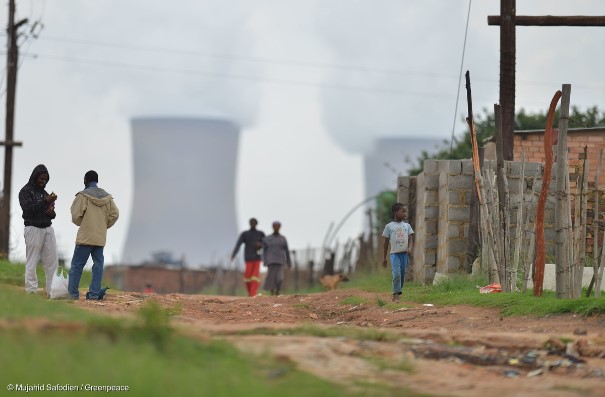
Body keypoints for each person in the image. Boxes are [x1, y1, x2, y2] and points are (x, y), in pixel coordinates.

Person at [68, 170, 119, 300]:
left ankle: (73, 294)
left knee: (77, 266)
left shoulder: (83, 196)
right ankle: (94, 294)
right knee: (98, 266)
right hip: (99, 238)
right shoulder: (108, 198)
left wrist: (84, 223)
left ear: (85, 180)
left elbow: (75, 216)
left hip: (85, 237)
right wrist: (103, 225)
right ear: (97, 181)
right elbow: (115, 214)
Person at [18, 164, 59, 296]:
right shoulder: (25, 191)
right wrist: (46, 201)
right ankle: (31, 291)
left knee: (52, 262)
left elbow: (52, 215)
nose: (44, 181)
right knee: (32, 261)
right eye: (41, 178)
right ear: (35, 177)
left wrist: (51, 212)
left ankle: (52, 291)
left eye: (46, 179)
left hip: (48, 229)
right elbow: (28, 209)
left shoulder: (45, 194)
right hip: (33, 228)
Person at [382, 202, 414, 302]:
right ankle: (396, 295)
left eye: (406, 212)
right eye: (402, 211)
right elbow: (386, 243)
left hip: (404, 254)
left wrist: (410, 248)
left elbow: (410, 238)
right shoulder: (389, 226)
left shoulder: (407, 226)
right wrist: (384, 258)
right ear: (395, 212)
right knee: (396, 273)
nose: (405, 214)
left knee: (402, 274)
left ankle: (398, 291)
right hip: (394, 254)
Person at [231, 218, 265, 297]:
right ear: (249, 223)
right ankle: (250, 293)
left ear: (256, 224)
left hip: (257, 258)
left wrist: (260, 245)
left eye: (254, 223)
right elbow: (238, 244)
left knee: (255, 277)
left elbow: (266, 244)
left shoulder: (261, 234)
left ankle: (253, 294)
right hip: (248, 258)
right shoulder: (245, 234)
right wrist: (233, 254)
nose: (252, 224)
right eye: (251, 223)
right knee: (247, 277)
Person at [262, 221, 291, 296]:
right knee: (271, 278)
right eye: (275, 226)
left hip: (280, 261)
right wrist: (264, 260)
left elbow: (287, 251)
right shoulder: (267, 238)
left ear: (279, 227)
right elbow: (264, 251)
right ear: (273, 227)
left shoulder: (283, 238)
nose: (276, 228)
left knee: (280, 278)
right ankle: (272, 292)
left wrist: (289, 262)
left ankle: (278, 291)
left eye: (277, 226)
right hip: (271, 261)